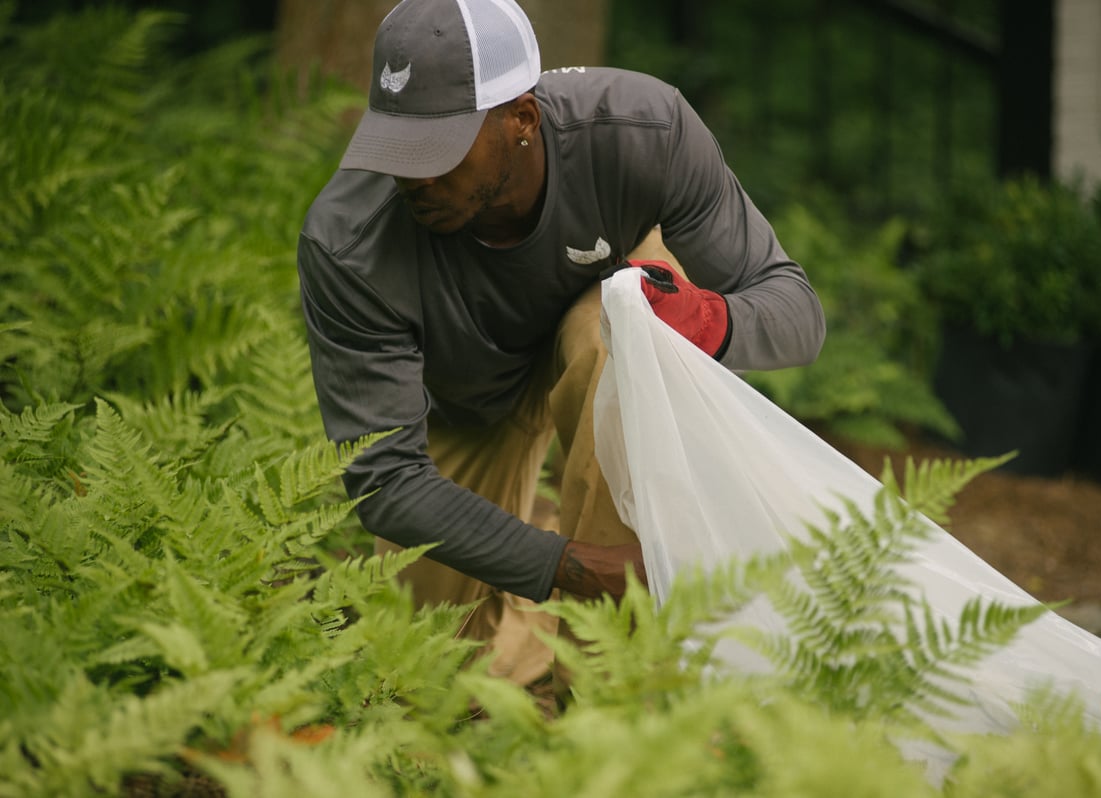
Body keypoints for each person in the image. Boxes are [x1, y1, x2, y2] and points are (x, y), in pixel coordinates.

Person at [297, 0, 825, 684]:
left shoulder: (640, 132)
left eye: (439, 151)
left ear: (521, 119)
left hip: (600, 329)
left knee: (615, 335)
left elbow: (797, 315)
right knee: (436, 671)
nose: (415, 177)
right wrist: (566, 565)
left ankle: (612, 692)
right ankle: (545, 616)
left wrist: (701, 319)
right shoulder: (348, 242)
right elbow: (389, 482)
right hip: (469, 402)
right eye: (397, 147)